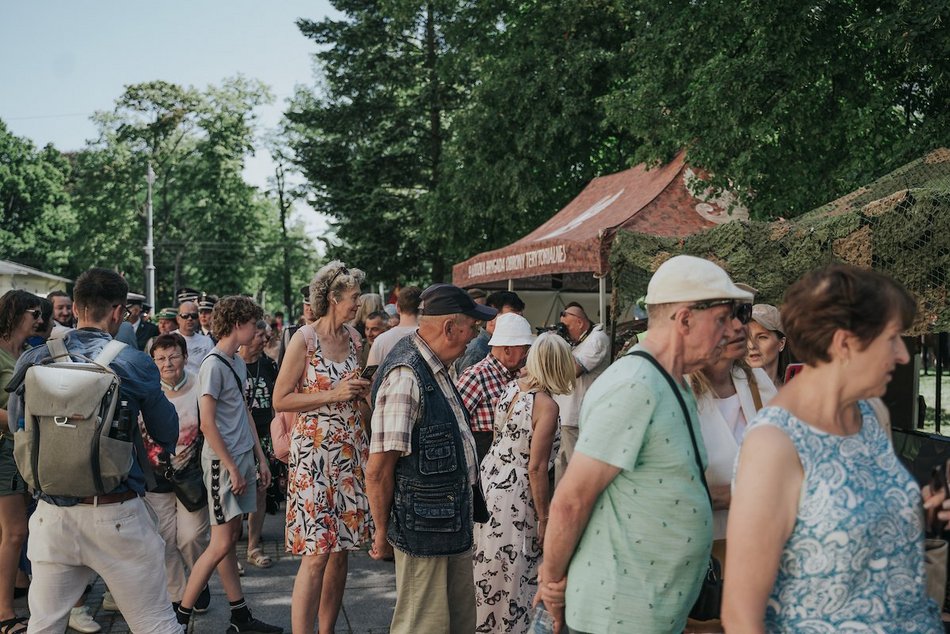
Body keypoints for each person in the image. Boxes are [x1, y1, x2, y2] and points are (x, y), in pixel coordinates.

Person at [537, 255, 751, 634]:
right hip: (619, 614)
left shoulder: (674, 380)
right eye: (722, 318)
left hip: (652, 610)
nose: (734, 329)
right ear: (684, 319)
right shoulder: (635, 384)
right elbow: (572, 499)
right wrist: (552, 585)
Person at [722, 264, 941, 632]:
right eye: (892, 338)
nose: (903, 355)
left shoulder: (872, 413)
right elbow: (742, 614)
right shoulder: (774, 442)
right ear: (844, 344)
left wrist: (923, 510)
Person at [7, 268, 181, 632]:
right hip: (116, 514)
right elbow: (167, 432)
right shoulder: (133, 362)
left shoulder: (35, 359)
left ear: (76, 306)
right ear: (117, 311)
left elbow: (18, 427)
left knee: (44, 625)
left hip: (51, 515)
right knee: (155, 623)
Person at [366, 283, 497, 634]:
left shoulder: (434, 366)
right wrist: (380, 531)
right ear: (450, 328)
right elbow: (378, 469)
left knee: (455, 622)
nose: (475, 335)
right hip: (424, 530)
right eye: (472, 326)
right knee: (422, 625)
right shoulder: (407, 375)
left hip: (447, 523)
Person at [272, 261, 373, 634]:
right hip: (312, 457)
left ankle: (327, 630)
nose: (358, 304)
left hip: (348, 453)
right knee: (316, 554)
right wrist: (333, 393)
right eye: (353, 298)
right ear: (333, 298)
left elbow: (355, 400)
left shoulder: (355, 339)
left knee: (342, 551)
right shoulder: (305, 339)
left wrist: (360, 394)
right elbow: (280, 399)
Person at [175, 295, 280, 633]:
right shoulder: (212, 364)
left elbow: (244, 412)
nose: (258, 331)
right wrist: (233, 467)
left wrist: (260, 458)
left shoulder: (235, 361)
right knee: (221, 544)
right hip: (224, 465)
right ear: (238, 325)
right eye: (253, 324)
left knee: (229, 539)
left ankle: (239, 616)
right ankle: (179, 618)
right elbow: (207, 423)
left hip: (241, 460)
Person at [473, 333, 575, 633]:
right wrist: (545, 518)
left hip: (490, 478)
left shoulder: (510, 389)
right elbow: (537, 467)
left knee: (488, 565)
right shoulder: (546, 405)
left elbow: (499, 438)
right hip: (515, 493)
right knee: (516, 570)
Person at [138, 333, 212, 613]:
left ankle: (200, 579)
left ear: (185, 356)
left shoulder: (198, 385)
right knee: (165, 539)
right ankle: (178, 593)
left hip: (192, 475)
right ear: (153, 361)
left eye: (173, 356)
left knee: (191, 537)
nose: (167, 363)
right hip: (156, 478)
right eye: (160, 358)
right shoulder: (146, 389)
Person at [0, 291, 41, 634]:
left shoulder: (26, 353)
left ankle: (16, 590)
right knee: (15, 532)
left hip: (20, 449)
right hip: (4, 449)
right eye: (34, 312)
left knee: (11, 532)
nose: (39, 320)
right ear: (14, 313)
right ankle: (4, 614)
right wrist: (22, 418)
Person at [456, 312, 534, 463]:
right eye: (524, 350)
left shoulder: (516, 377)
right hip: (480, 467)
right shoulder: (476, 376)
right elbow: (454, 422)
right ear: (507, 349)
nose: (526, 355)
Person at [552, 301, 611, 486]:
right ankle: (559, 509)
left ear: (579, 322)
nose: (565, 331)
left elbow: (574, 370)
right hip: (565, 415)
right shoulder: (577, 341)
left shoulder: (597, 339)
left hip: (578, 415)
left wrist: (558, 346)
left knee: (574, 468)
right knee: (561, 464)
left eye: (567, 327)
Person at [240, 320, 281, 568]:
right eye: (259, 335)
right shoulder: (230, 363)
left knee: (260, 491)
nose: (264, 340)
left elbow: (277, 399)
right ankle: (230, 544)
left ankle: (253, 546)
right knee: (236, 492)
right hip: (238, 437)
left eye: (266, 336)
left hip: (264, 436)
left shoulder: (268, 365)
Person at [454, 290, 525, 375]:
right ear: (492, 315)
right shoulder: (477, 351)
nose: (516, 324)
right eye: (510, 318)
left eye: (520, 319)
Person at [366, 285, 422, 367]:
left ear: (398, 307)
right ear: (421, 307)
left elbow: (370, 376)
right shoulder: (430, 337)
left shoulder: (380, 341)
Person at [745, 303, 790, 387]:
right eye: (746, 337)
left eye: (762, 337)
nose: (751, 346)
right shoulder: (730, 392)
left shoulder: (797, 391)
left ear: (781, 343)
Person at [174, 299, 214, 376]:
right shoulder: (169, 339)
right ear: (178, 319)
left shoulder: (207, 342)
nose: (190, 319)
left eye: (194, 316)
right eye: (185, 316)